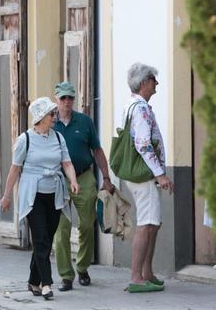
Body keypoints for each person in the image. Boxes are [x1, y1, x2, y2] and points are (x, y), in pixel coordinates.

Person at [0, 97, 80, 301]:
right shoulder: (25, 139)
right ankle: (46, 283)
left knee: (44, 240)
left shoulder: (58, 138)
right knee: (41, 238)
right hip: (32, 196)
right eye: (51, 114)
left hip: (54, 194)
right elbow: (15, 169)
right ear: (40, 117)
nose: (55, 117)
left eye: (54, 113)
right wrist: (7, 195)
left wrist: (73, 181)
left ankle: (33, 281)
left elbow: (67, 163)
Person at [52, 81, 115, 291]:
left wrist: (106, 178)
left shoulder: (85, 122)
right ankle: (66, 276)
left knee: (87, 225)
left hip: (84, 176)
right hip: (59, 180)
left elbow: (97, 150)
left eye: (70, 98)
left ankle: (83, 267)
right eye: (63, 98)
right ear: (56, 100)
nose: (67, 102)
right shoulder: (49, 123)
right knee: (62, 230)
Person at [123, 63, 173, 293]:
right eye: (153, 79)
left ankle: (146, 272)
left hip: (140, 175)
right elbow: (143, 144)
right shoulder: (141, 109)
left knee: (152, 224)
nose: (157, 83)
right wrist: (161, 174)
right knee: (146, 225)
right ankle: (137, 277)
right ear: (144, 82)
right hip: (144, 175)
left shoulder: (133, 106)